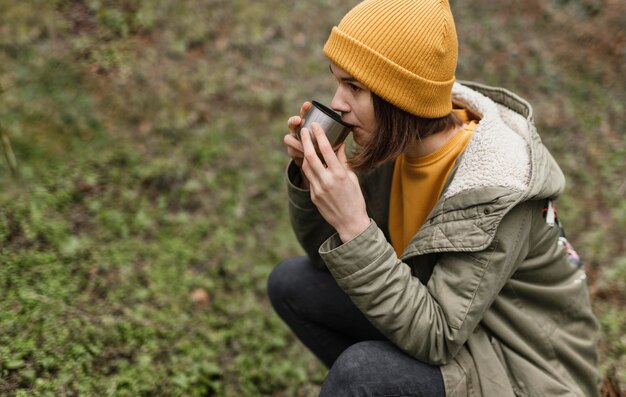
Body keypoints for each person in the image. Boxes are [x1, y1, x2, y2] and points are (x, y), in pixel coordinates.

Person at [267, 0, 601, 395]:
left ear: (402, 97)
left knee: (363, 373)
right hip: (461, 331)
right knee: (293, 284)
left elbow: (438, 336)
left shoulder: (493, 190)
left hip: (523, 370)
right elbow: (328, 266)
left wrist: (353, 226)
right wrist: (312, 184)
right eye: (338, 81)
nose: (337, 102)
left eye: (354, 87)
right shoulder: (394, 143)